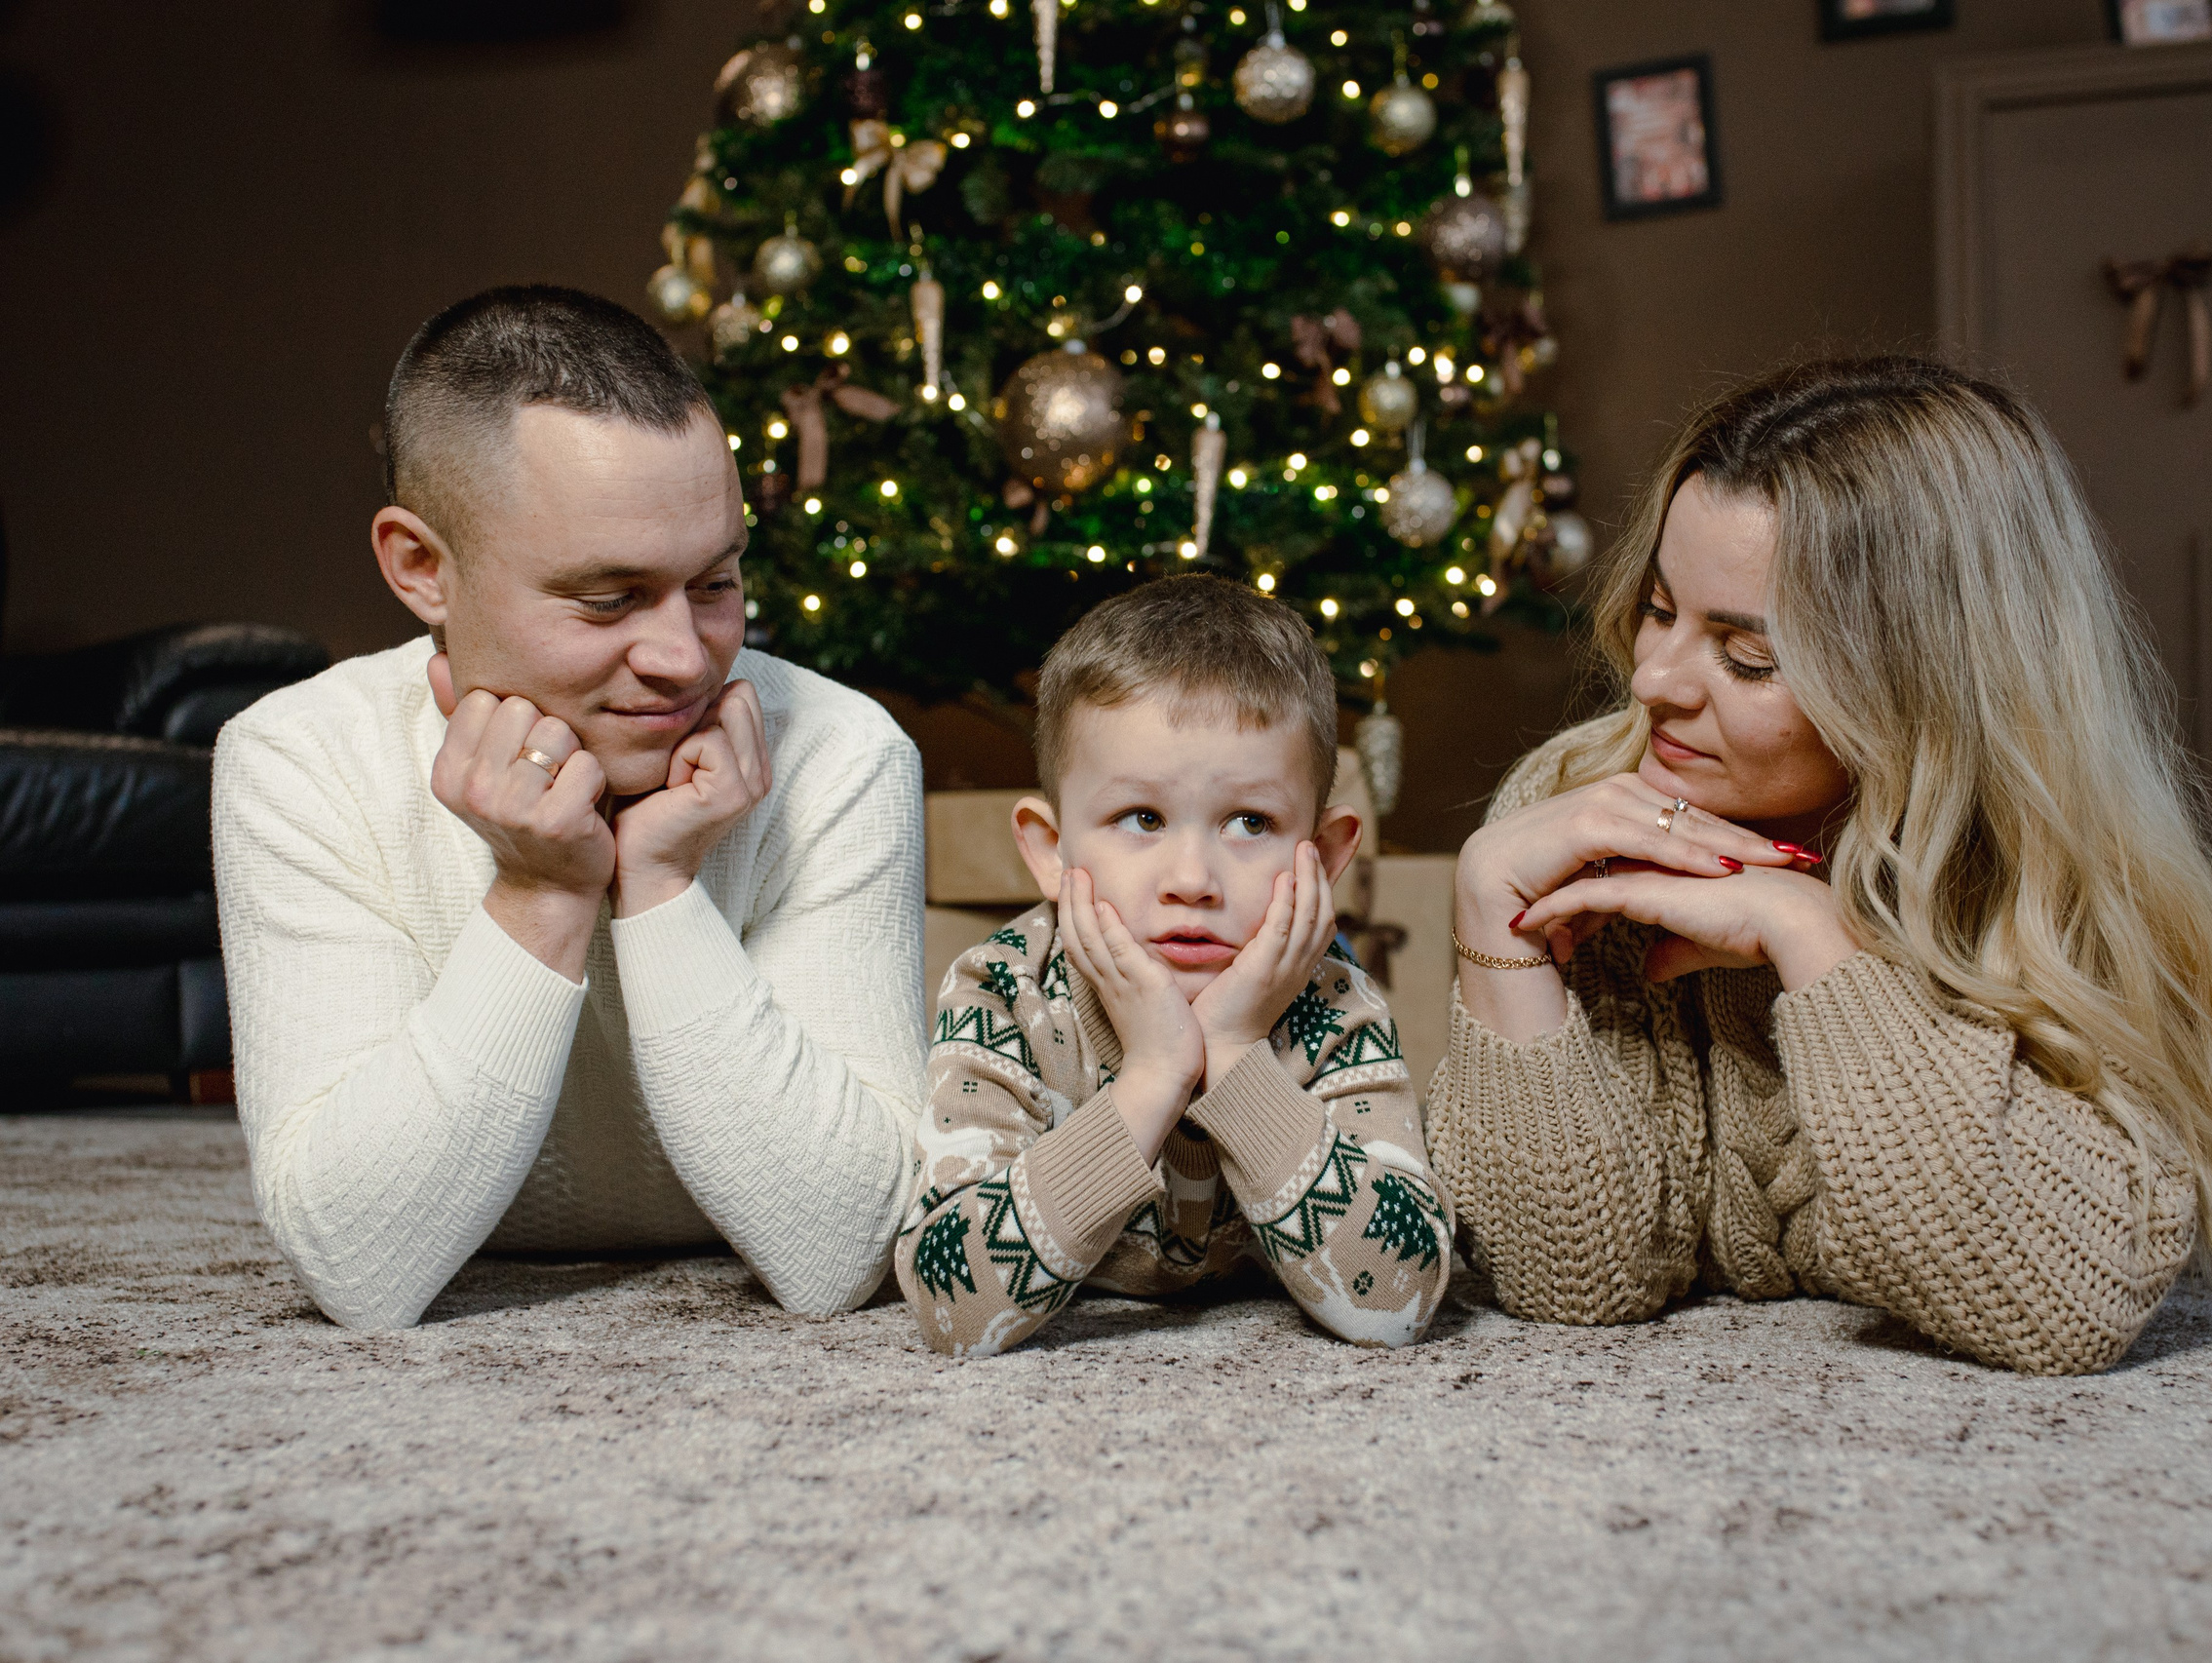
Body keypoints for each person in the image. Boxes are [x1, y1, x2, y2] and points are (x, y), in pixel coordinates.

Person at [1429, 357, 2212, 1376]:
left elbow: (2064, 1304)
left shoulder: (2054, 874)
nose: (1652, 680)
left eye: (1745, 656)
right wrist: (1491, 923)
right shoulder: (1579, 804)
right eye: (1659, 609)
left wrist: (1813, 935)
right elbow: (1574, 1276)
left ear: (1925, 680)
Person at [211, 286, 925, 1332]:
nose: (685, 657)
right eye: (607, 598)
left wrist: (666, 888)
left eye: (717, 581)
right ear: (421, 568)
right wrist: (542, 893)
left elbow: (843, 1249)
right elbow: (360, 1269)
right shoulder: (300, 757)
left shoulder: (842, 749)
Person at [894, 576, 1452, 1357]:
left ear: (1321, 857)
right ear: (1052, 852)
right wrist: (1153, 1074)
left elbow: (1402, 1298)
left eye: (1250, 822)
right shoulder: (1003, 992)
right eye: (1143, 818)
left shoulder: (1335, 1004)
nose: (1192, 877)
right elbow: (946, 1309)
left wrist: (1232, 1051)